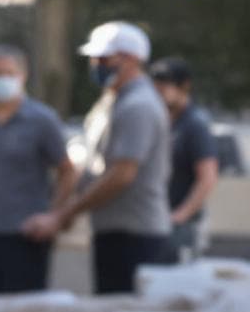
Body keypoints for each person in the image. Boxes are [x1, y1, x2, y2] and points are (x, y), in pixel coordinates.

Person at [24, 22, 173, 293]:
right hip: (116, 232)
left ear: (131, 60)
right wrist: (61, 208)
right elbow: (90, 162)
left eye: (104, 59)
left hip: (134, 236)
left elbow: (121, 175)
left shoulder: (138, 105)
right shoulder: (113, 102)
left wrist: (64, 214)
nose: (96, 64)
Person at [0, 45, 77, 294]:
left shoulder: (41, 119)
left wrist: (54, 215)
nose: (2, 79)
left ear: (23, 75)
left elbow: (67, 170)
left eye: (9, 73)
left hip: (26, 233)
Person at [152, 58, 221, 260]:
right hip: (158, 220)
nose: (160, 90)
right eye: (156, 85)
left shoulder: (194, 125)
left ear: (184, 86)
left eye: (166, 85)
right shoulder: (163, 122)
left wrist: (180, 216)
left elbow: (207, 177)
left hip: (181, 226)